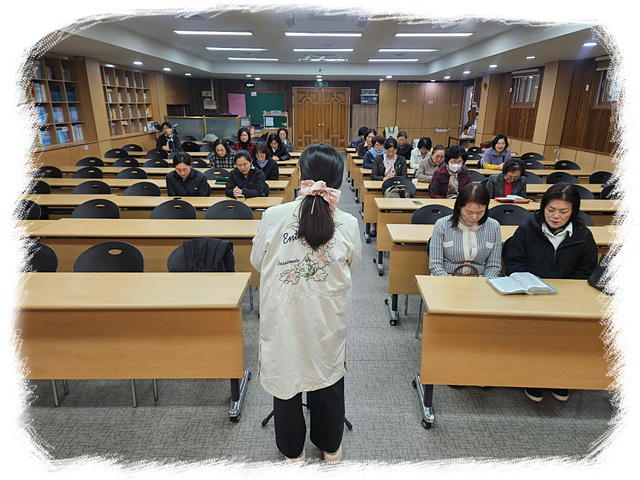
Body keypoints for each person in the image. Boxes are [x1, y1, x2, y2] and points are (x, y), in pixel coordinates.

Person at [250, 143, 361, 463]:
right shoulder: (348, 222)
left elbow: (257, 262)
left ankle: (292, 452)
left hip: (284, 313)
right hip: (327, 315)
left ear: (301, 175)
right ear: (338, 181)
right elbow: (352, 266)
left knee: (286, 377)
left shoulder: (273, 216)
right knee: (327, 375)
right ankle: (331, 447)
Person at [503, 182, 598, 403]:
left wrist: (563, 292)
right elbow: (515, 263)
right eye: (551, 210)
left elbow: (586, 270)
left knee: (567, 334)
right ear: (543, 207)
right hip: (530, 294)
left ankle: (559, 376)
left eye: (564, 212)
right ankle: (533, 376)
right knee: (535, 332)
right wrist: (533, 286)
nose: (556, 216)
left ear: (573, 211)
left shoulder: (583, 236)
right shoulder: (527, 229)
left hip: (567, 298)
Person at [429, 183, 502, 277]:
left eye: (480, 212)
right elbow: (435, 265)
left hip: (480, 279)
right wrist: (449, 282)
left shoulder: (494, 226)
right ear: (459, 207)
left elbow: (494, 266)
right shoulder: (442, 224)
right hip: (447, 278)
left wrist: (485, 282)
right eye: (469, 212)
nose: (474, 217)